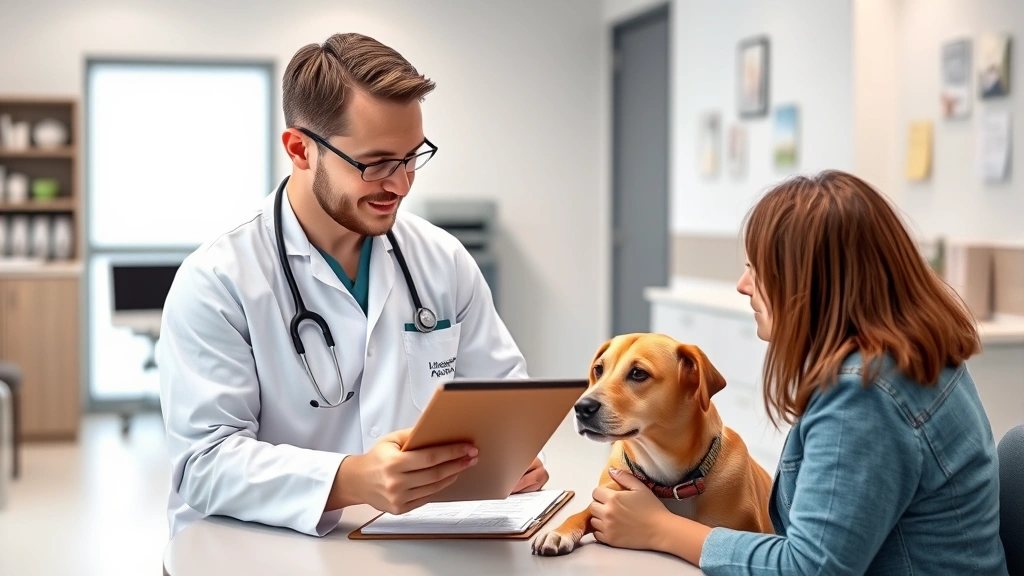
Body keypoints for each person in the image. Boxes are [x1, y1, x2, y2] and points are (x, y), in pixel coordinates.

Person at [158, 32, 548, 539]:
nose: (401, 184)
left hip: (412, 544)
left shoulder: (442, 260)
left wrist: (510, 457)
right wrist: (351, 479)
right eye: (376, 163)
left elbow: (502, 400)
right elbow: (204, 463)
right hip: (259, 549)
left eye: (412, 157)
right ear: (300, 149)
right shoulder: (219, 280)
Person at [587, 170, 1008, 575]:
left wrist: (661, 528)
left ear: (812, 283)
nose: (743, 285)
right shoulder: (913, 355)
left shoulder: (864, 396)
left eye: (757, 269)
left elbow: (809, 568)